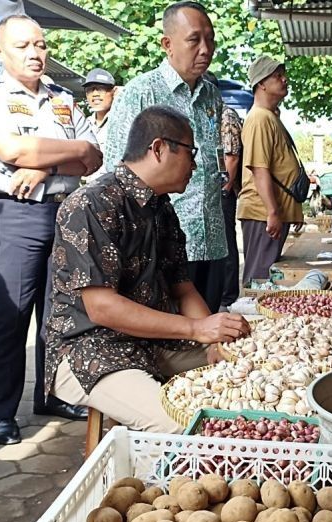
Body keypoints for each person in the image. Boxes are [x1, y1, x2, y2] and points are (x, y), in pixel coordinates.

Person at [46, 106, 250, 432]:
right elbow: (101, 308)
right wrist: (196, 330)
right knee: (183, 424)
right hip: (88, 349)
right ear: (158, 149)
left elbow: (182, 288)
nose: (195, 165)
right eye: (190, 153)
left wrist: (213, 342)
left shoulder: (161, 207)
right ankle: (155, 479)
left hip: (151, 341)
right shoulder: (91, 203)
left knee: (249, 372)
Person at [0, 14, 102, 445]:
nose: (35, 53)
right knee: (9, 317)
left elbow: (93, 158)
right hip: (13, 214)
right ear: (0, 52)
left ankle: (52, 394)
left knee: (59, 316)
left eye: (40, 45)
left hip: (62, 212)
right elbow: (10, 149)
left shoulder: (64, 98)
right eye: (23, 46)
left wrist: (44, 167)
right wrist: (72, 152)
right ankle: (1, 413)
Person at [103, 1, 228, 313]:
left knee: (207, 339)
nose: (205, 49)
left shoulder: (211, 94)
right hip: (161, 249)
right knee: (169, 345)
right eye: (194, 40)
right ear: (168, 44)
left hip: (210, 241)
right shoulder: (140, 93)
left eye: (211, 39)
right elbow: (116, 171)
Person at [236, 56, 304, 285]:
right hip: (261, 214)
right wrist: (273, 212)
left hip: (269, 213)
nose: (285, 79)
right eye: (277, 75)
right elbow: (259, 169)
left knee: (265, 279)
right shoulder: (258, 119)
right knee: (258, 282)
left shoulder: (270, 117)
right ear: (261, 83)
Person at [206, 72, 243, 310]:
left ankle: (227, 297)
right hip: (206, 189)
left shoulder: (225, 114)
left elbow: (231, 155)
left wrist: (225, 187)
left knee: (226, 243)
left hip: (220, 189)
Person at [82, 68, 117, 181]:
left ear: (114, 92)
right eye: (90, 90)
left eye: (101, 89)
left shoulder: (123, 122)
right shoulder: (83, 124)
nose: (95, 94)